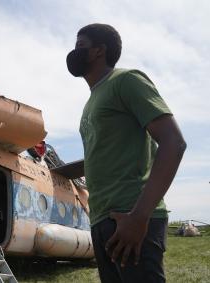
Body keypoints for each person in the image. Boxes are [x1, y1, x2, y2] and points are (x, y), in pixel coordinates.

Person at [66, 23, 186, 282]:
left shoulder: (126, 80)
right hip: (103, 222)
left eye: (80, 46)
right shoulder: (90, 103)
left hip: (131, 218)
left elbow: (173, 142)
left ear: (99, 51)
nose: (73, 52)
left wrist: (139, 217)